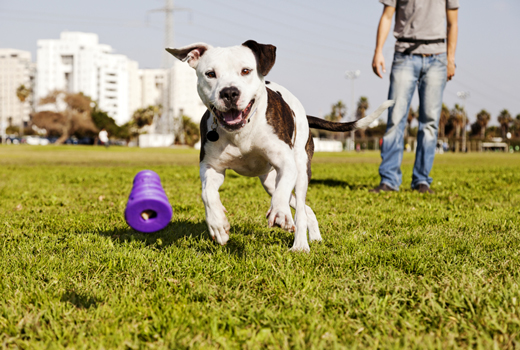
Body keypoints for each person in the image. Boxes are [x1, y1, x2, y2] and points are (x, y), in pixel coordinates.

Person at [370, 0, 459, 194]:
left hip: (437, 57)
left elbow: (453, 22)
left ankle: (422, 180)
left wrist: (450, 59)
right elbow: (387, 15)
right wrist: (378, 51)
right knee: (395, 119)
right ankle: (389, 180)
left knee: (429, 122)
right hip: (404, 55)